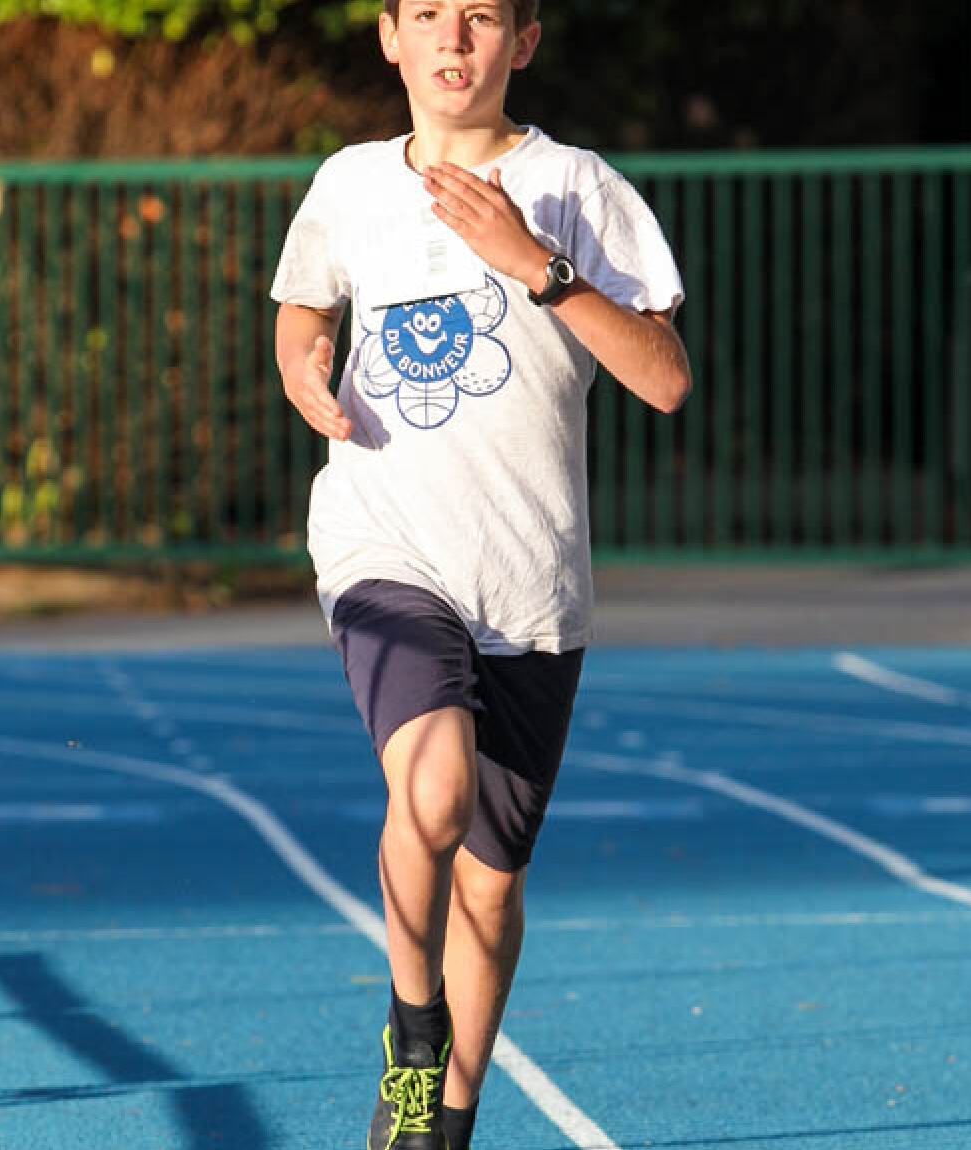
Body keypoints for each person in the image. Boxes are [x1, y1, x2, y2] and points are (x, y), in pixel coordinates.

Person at [271, 1, 690, 1146]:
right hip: (384, 544)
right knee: (434, 791)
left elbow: (663, 379)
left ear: (524, 41)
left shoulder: (577, 187)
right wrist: (303, 366)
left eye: (480, 18)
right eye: (428, 16)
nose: (453, 41)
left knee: (493, 881)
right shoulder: (350, 181)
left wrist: (537, 267)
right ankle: (413, 1034)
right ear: (389, 37)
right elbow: (302, 307)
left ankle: (445, 1120)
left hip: (528, 580)